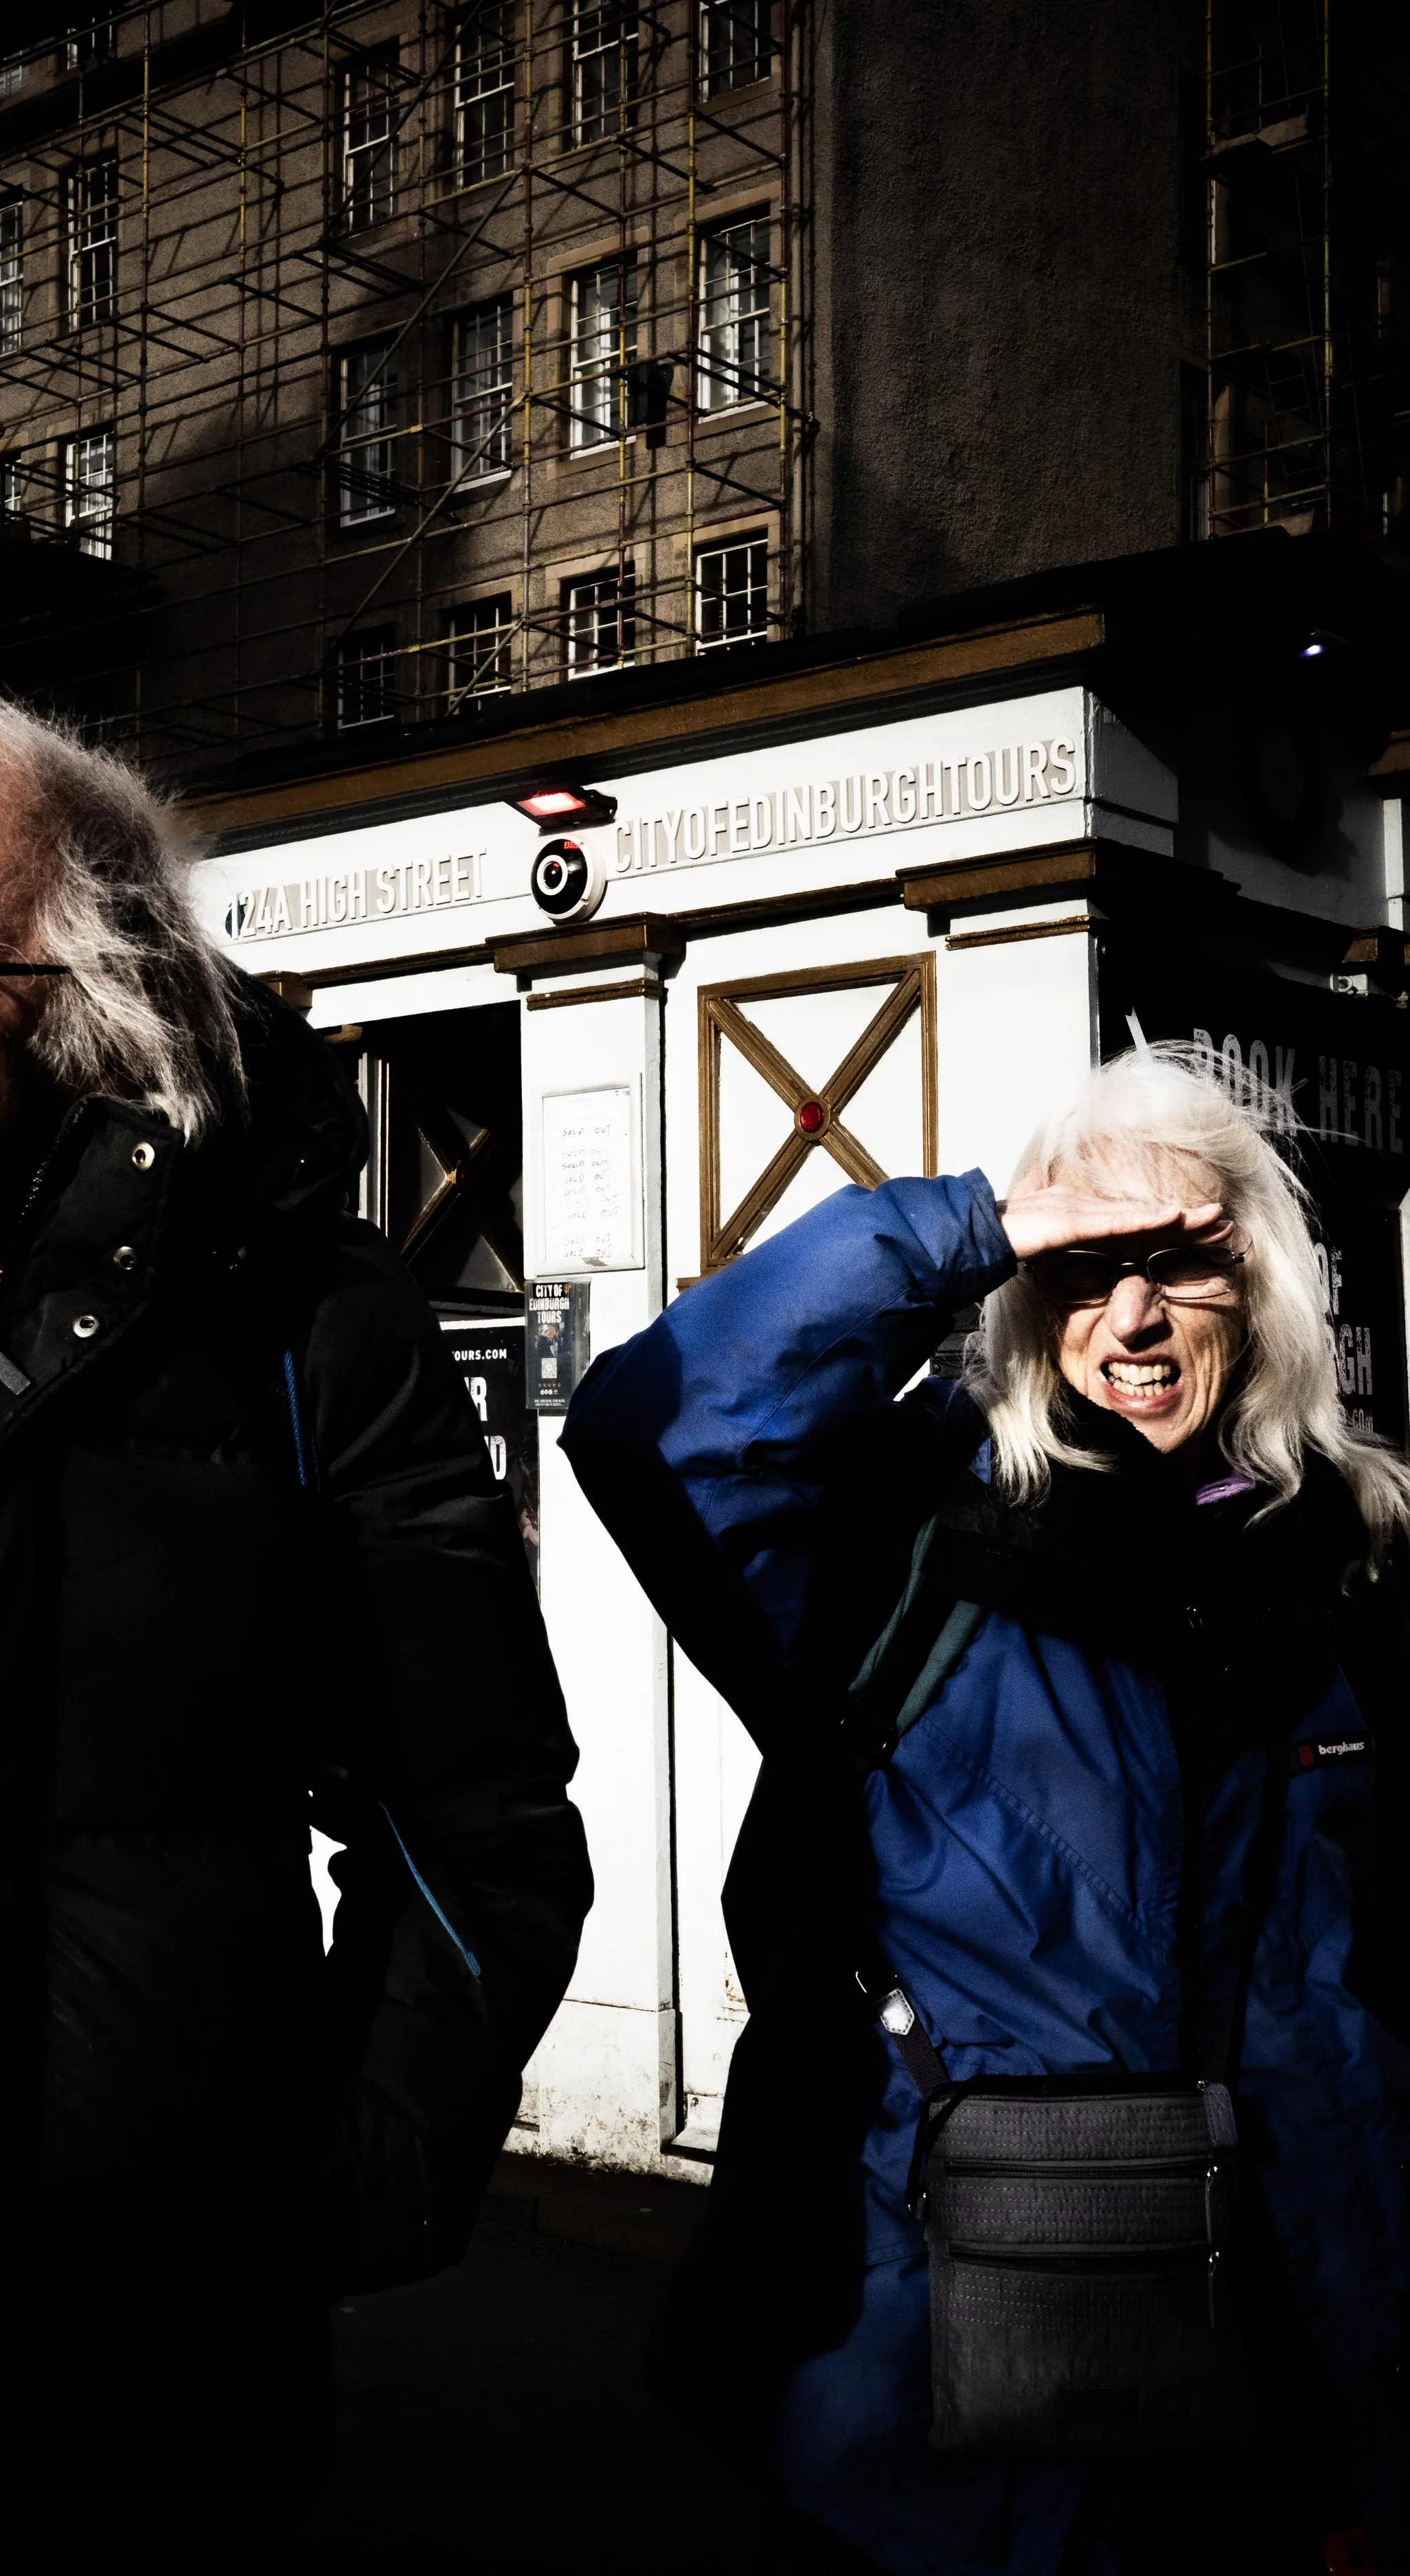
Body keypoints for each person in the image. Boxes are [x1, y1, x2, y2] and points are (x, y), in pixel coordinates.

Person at [0, 692, 591, 2540]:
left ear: (84, 1012)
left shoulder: (305, 1327)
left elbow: (475, 1823)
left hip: (144, 2432)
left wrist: (331, 2190)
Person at [562, 1047, 1408, 2576]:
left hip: (1261, 2368)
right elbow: (649, 1432)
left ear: (1265, 1293)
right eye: (1090, 1270)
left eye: (1182, 1270)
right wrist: (970, 1227)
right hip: (921, 2374)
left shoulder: (1347, 1558)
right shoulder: (909, 1534)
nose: (1132, 1318)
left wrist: (1360, 2406)